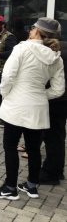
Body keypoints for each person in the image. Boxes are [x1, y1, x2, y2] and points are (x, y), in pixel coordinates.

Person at [0, 17, 65, 200]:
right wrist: (39, 95)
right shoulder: (56, 57)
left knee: (10, 146)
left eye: (32, 28)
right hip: (38, 108)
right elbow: (59, 89)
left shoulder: (21, 48)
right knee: (34, 149)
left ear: (38, 31)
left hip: (17, 105)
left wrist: (6, 94)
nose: (30, 30)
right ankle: (31, 186)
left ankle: (10, 188)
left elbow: (7, 77)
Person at [40, 36, 67, 185]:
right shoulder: (62, 47)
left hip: (55, 98)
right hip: (62, 99)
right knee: (58, 135)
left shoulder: (50, 51)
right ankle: (57, 170)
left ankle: (51, 174)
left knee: (52, 137)